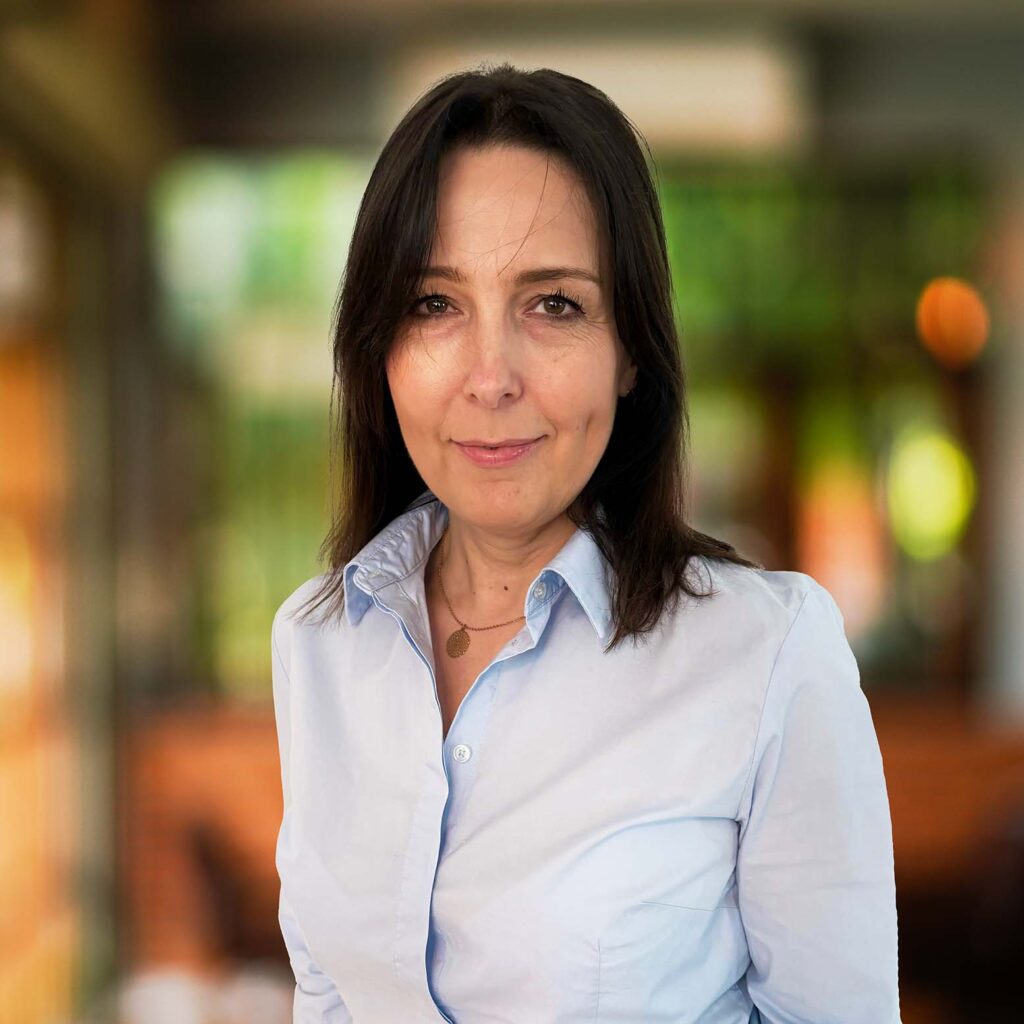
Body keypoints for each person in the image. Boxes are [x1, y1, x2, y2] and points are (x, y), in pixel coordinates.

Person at [270, 62, 901, 1023]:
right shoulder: (317, 644)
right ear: (378, 348)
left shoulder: (768, 656)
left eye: (553, 303)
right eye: (434, 304)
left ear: (631, 349)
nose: (491, 377)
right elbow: (328, 995)